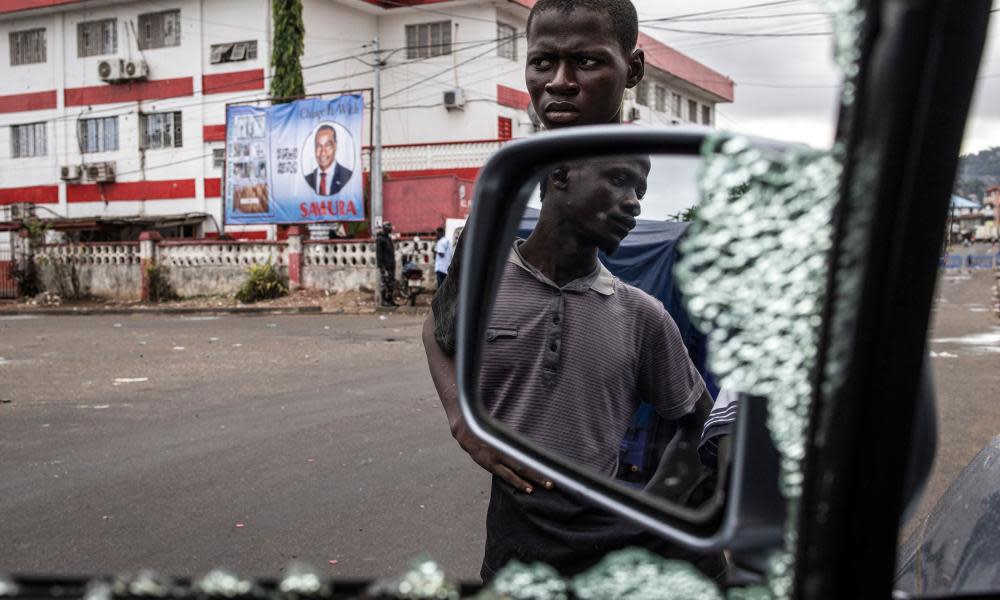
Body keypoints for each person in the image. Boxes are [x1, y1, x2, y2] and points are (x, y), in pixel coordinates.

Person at [421, 0, 719, 580]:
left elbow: (702, 421)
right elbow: (441, 327)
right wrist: (462, 417)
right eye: (542, 63)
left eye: (584, 62)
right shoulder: (498, 212)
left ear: (631, 70)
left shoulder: (639, 303)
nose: (558, 83)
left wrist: (651, 509)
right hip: (521, 535)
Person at [304, 125, 352, 196]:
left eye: (327, 145)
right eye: (319, 146)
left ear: (335, 146)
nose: (323, 152)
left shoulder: (348, 177)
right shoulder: (307, 181)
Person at [375, 221, 397, 307]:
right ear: (385, 229)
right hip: (385, 266)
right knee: (385, 284)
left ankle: (390, 300)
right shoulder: (380, 239)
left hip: (391, 265)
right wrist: (381, 267)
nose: (391, 230)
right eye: (389, 228)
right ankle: (384, 301)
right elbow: (379, 254)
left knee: (391, 284)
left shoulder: (388, 238)